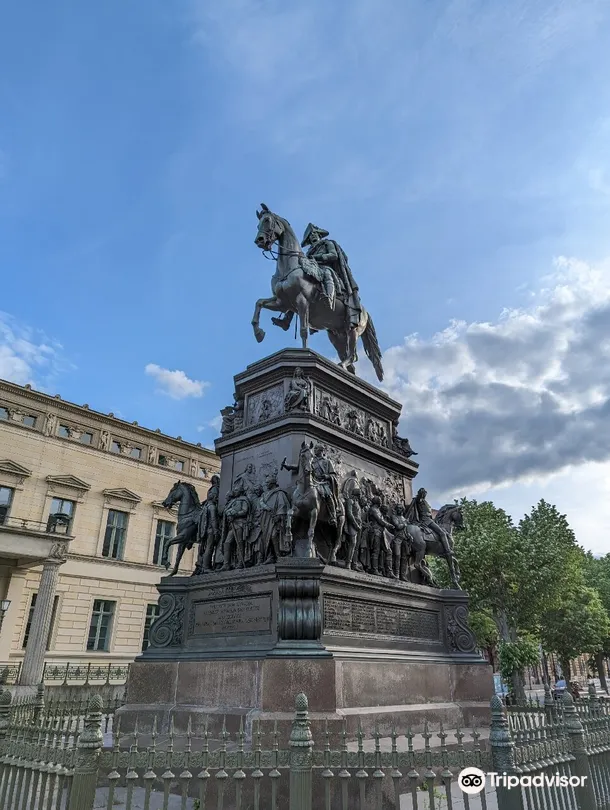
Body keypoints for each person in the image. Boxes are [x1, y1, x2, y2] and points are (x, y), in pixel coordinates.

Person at [406, 488, 452, 557]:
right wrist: (420, 494)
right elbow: (418, 499)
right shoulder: (419, 500)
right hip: (426, 521)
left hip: (430, 519)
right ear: (421, 494)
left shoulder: (425, 502)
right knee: (442, 533)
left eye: (425, 494)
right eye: (424, 493)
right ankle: (447, 550)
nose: (425, 495)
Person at [311, 443, 340, 525]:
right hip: (313, 481)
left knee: (328, 495)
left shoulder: (327, 462)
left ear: (321, 450)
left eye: (316, 449)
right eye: (314, 448)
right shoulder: (312, 461)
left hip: (323, 483)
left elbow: (333, 475)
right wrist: (288, 466)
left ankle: (333, 515)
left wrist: (327, 476)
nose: (314, 450)